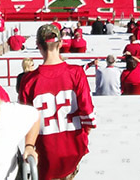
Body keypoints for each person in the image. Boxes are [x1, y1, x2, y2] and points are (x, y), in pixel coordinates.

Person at [18, 24, 96, 180]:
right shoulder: (76, 73)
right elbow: (87, 111)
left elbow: (25, 120)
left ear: (39, 46)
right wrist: (84, 133)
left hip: (45, 150)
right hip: (72, 147)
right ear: (60, 43)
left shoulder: (28, 80)